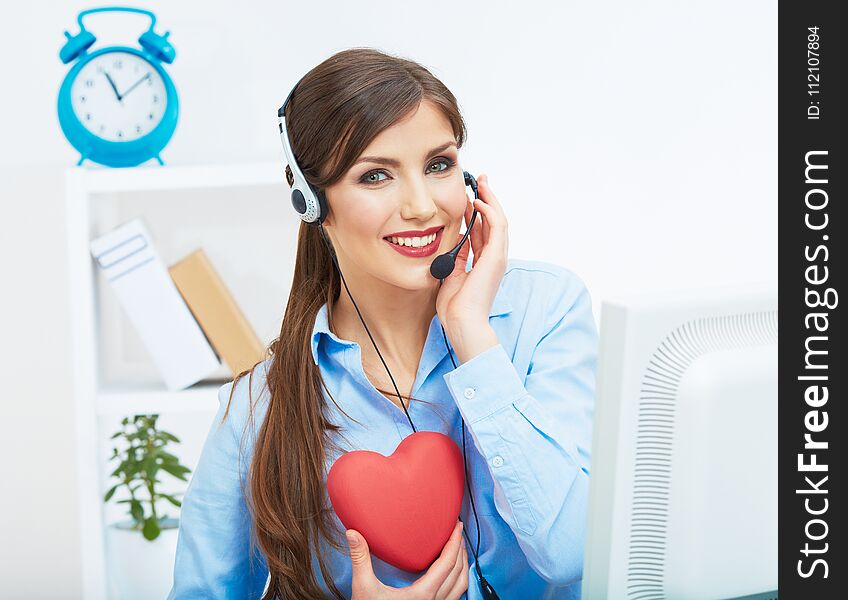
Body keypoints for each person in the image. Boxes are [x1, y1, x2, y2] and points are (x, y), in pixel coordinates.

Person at [168, 47, 598, 600]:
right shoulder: (259, 408)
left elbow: (572, 552)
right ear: (311, 201)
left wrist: (473, 339)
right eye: (375, 176)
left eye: (439, 165)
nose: (422, 206)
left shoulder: (547, 311)